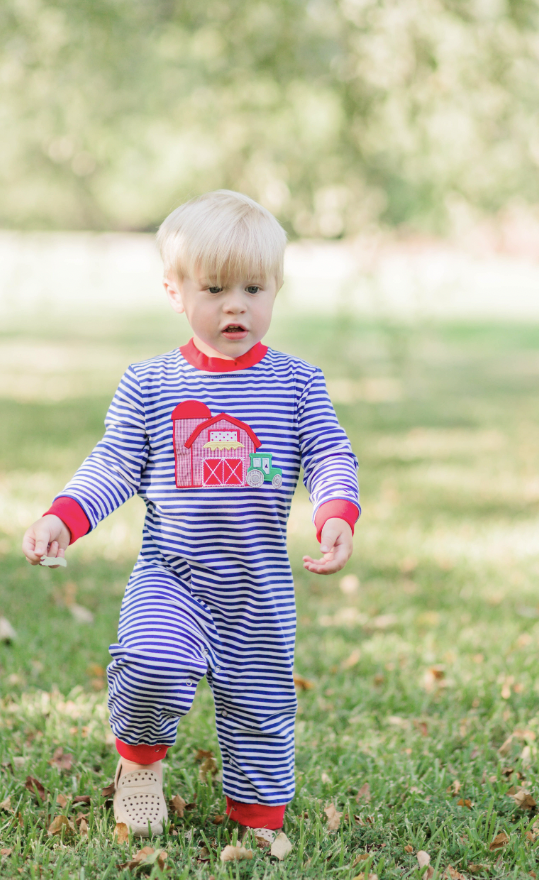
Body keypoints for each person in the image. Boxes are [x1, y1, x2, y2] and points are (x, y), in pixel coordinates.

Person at [21, 190, 360, 838]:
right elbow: (115, 463)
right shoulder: (150, 385)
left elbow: (329, 454)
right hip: (172, 574)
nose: (237, 304)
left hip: (257, 586)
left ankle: (258, 812)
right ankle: (140, 763)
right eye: (215, 288)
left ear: (275, 290)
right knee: (151, 663)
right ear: (176, 292)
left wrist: (336, 511)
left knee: (260, 707)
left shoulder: (297, 384)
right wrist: (64, 516)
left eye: (254, 288)